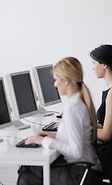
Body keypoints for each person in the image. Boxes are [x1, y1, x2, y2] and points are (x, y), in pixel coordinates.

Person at [17, 57, 100, 185]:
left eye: (56, 80)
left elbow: (76, 152)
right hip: (86, 170)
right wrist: (55, 135)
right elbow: (76, 136)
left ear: (66, 81)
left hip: (80, 174)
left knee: (26, 173)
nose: (54, 84)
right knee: (26, 173)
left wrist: (44, 140)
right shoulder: (78, 102)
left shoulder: (74, 109)